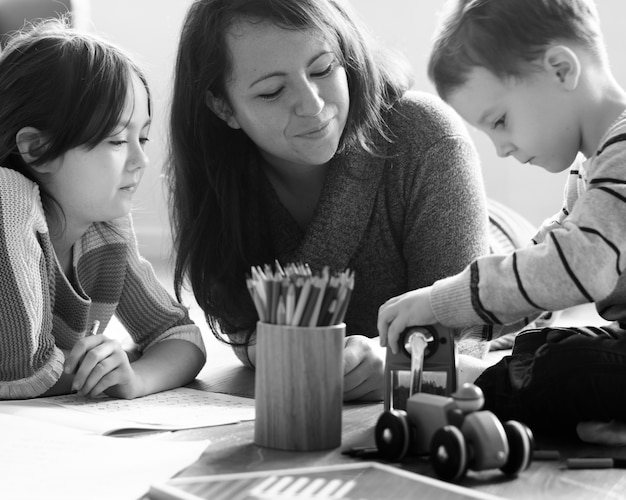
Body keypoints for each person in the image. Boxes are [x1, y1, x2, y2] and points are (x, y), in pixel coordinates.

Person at [166, 0, 492, 401]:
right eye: (272, 92)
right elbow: (242, 327)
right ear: (222, 106)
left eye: (323, 69)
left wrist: (403, 366)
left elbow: (468, 340)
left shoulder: (427, 136)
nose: (313, 105)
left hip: (501, 254)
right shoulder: (220, 176)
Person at [378, 0, 626, 443]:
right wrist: (464, 321)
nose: (501, 149)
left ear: (561, 70)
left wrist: (443, 302)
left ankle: (484, 401)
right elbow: (543, 264)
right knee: (540, 348)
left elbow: (577, 267)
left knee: (565, 366)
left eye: (501, 121)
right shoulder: (591, 169)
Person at [0, 18, 206, 400]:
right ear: (38, 149)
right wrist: (101, 364)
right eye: (115, 140)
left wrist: (134, 377)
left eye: (141, 137)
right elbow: (19, 372)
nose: (141, 159)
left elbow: (181, 337)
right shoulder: (6, 209)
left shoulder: (104, 228)